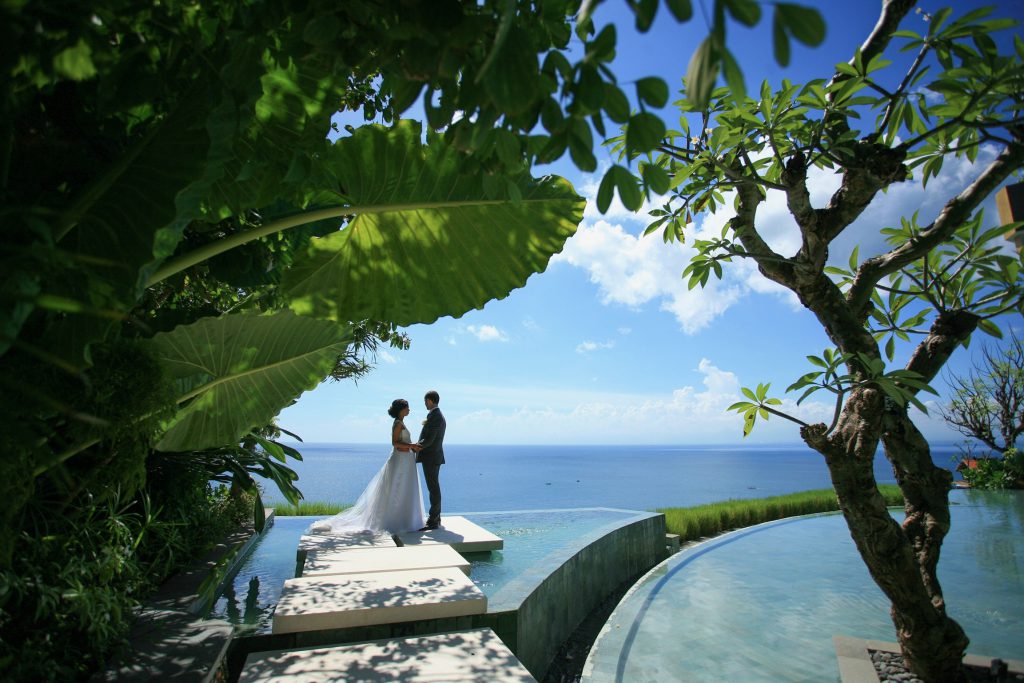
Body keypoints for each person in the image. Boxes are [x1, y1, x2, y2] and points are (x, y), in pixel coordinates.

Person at [307, 399, 425, 534]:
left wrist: (411, 446)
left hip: (405, 460)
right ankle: (396, 521)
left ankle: (405, 519)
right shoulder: (398, 424)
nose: (409, 410)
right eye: (407, 408)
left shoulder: (401, 423)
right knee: (397, 488)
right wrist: (412, 446)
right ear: (401, 410)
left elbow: (401, 442)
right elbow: (395, 443)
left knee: (403, 488)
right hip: (400, 461)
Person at [416, 390, 446, 531]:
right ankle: (436, 517)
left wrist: (416, 447)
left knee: (433, 488)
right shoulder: (435, 415)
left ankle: (433, 520)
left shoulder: (436, 416)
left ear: (429, 400)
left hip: (431, 457)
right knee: (433, 487)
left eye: (425, 401)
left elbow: (430, 439)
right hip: (433, 456)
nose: (424, 404)